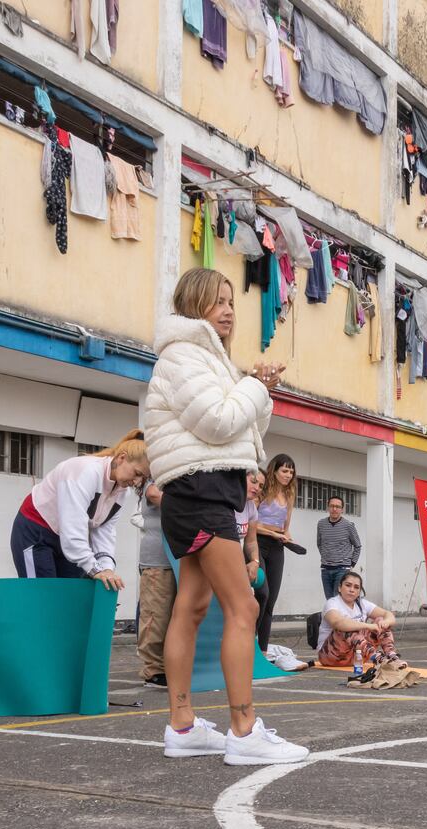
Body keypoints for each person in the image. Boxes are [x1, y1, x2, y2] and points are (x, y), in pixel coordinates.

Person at [145, 267, 307, 765]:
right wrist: (253, 387)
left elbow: (245, 432)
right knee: (245, 608)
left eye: (231, 301)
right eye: (218, 301)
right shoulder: (183, 356)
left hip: (203, 489)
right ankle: (243, 730)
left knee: (192, 607)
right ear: (194, 304)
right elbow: (216, 421)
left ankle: (183, 725)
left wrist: (260, 390)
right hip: (200, 490)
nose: (230, 310)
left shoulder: (208, 360)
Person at [9, 430, 149, 590]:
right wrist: (95, 569)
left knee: (71, 598)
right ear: (121, 458)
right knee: (42, 598)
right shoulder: (84, 471)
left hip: (67, 538)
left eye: (143, 478)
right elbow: (72, 525)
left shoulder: (122, 490)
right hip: (36, 531)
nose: (137, 481)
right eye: (137, 473)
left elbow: (104, 530)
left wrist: (107, 568)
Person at [255, 453, 298, 652]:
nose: (288, 475)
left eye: (291, 471)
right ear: (274, 470)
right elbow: (251, 524)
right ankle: (248, 641)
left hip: (277, 546)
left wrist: (286, 536)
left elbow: (285, 526)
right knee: (261, 594)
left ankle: (262, 650)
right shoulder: (262, 491)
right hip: (258, 543)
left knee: (271, 600)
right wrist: (272, 533)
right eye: (284, 470)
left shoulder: (290, 494)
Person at [316, 571, 403, 667]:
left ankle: (392, 657)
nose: (352, 590)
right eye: (348, 585)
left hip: (357, 657)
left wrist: (385, 622)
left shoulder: (362, 603)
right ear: (339, 588)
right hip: (331, 657)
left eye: (356, 587)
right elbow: (338, 623)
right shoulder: (332, 603)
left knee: (380, 620)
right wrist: (368, 626)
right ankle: (377, 658)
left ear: (359, 592)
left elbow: (388, 614)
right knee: (346, 627)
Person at [134, 483, 173, 688]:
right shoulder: (155, 480)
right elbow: (154, 494)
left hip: (179, 560)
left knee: (174, 617)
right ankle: (154, 669)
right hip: (157, 561)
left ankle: (170, 664)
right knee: (156, 615)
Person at [316, 495, 361, 599]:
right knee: (330, 601)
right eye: (332, 506)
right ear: (328, 507)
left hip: (342, 569)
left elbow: (357, 546)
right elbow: (319, 544)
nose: (334, 509)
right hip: (325, 569)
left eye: (337, 506)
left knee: (338, 600)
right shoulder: (321, 524)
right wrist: (327, 557)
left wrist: (351, 563)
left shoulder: (348, 525)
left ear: (342, 509)